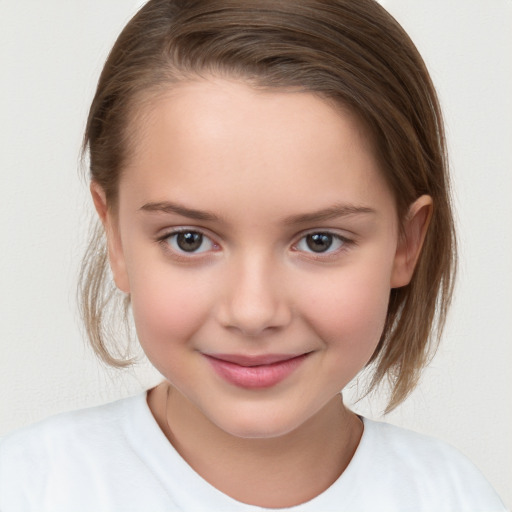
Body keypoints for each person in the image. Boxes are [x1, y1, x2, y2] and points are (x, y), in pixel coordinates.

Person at [0, 0, 507, 510]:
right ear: (116, 237)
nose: (253, 311)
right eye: (189, 240)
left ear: (406, 243)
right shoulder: (28, 489)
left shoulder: (453, 497)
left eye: (319, 241)